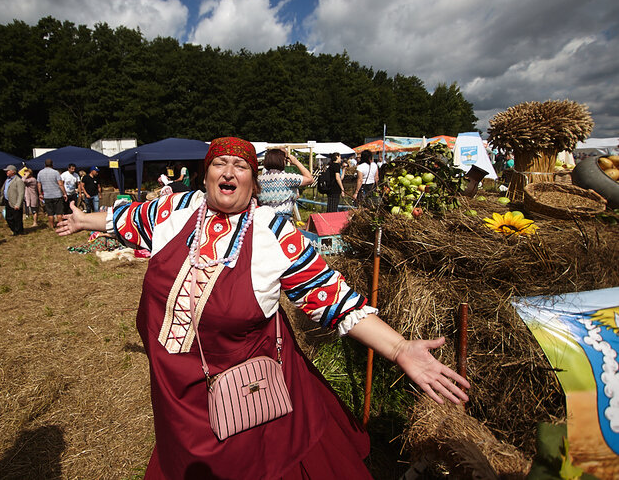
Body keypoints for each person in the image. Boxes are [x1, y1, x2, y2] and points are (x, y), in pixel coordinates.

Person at [56, 136, 470, 479]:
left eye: (241, 165)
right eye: (220, 163)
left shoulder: (275, 233)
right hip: (176, 389)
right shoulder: (174, 210)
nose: (229, 172)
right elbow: (126, 219)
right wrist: (83, 221)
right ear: (207, 174)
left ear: (254, 181)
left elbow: (335, 299)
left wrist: (399, 350)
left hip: (248, 392)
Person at [258, 147, 314, 222]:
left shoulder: (259, 179)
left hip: (264, 218)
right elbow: (310, 179)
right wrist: (296, 162)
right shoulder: (287, 178)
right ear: (281, 161)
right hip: (283, 217)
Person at [37, 159, 66, 229]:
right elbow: (60, 184)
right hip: (57, 195)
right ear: (52, 164)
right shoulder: (55, 172)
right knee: (59, 212)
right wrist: (64, 193)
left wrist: (40, 194)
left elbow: (39, 184)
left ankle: (52, 226)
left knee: (50, 213)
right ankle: (61, 225)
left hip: (47, 195)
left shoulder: (40, 173)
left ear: (45, 164)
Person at [0, 164, 25, 236]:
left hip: (15, 202)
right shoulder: (7, 180)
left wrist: (18, 204)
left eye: (8, 171)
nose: (6, 172)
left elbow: (21, 193)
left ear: (13, 172)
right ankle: (14, 230)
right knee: (8, 218)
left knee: (17, 218)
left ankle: (19, 232)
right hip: (8, 201)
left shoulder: (18, 180)